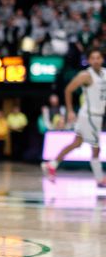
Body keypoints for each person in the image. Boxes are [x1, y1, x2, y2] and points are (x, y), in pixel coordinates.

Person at [42, 48, 106, 187]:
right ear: (88, 60)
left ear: (102, 59)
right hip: (88, 115)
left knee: (76, 143)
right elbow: (68, 90)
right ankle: (100, 179)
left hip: (97, 115)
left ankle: (52, 164)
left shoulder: (105, 74)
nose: (95, 60)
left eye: (98, 57)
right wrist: (70, 111)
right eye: (93, 58)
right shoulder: (85, 75)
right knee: (96, 148)